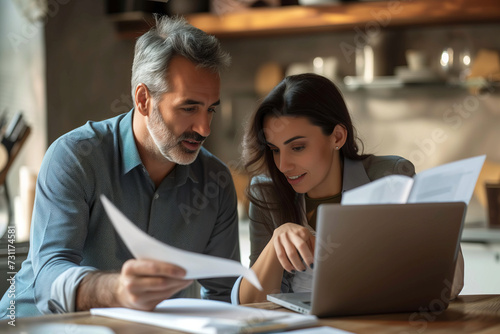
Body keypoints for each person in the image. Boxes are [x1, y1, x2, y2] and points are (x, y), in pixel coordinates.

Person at [0, 16, 240, 319]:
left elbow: (224, 296)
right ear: (143, 99)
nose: (204, 128)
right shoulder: (76, 157)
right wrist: (117, 291)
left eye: (210, 109)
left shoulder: (215, 181)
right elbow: (47, 277)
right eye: (189, 108)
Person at [232, 73, 464, 304]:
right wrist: (276, 242)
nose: (283, 165)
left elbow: (449, 285)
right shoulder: (267, 194)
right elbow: (250, 305)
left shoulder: (390, 177)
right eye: (275, 149)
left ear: (338, 137)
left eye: (298, 147)